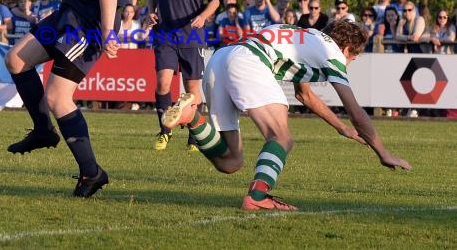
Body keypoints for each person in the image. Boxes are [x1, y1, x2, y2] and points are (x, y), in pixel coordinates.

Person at [160, 20, 412, 211]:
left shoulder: (307, 36)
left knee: (230, 162)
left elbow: (305, 96)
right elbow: (356, 112)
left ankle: (191, 117)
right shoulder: (333, 55)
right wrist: (383, 152)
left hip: (222, 58)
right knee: (281, 138)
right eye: (353, 59)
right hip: (250, 62)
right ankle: (258, 196)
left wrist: (341, 128)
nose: (349, 64)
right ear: (347, 49)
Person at [1, 0, 133, 198]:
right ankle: (44, 131)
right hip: (69, 14)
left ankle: (92, 173)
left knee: (58, 97)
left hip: (87, 21)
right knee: (16, 60)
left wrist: (107, 30)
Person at [146, 0, 219, 151]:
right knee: (162, 84)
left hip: (191, 36)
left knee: (192, 91)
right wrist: (151, 12)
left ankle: (194, 134)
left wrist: (202, 16)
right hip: (165, 35)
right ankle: (165, 131)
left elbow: (215, 1)